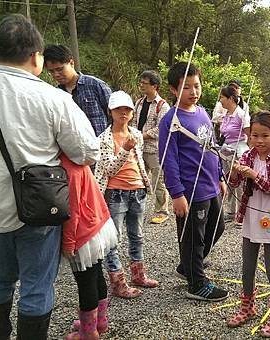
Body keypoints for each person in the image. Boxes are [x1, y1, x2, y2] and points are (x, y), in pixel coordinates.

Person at [0, 14, 98, 340]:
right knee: (36, 284)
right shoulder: (53, 97)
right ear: (36, 57)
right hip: (40, 210)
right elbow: (87, 152)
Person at [158, 62, 228, 302]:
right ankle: (196, 283)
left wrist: (220, 176)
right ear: (174, 90)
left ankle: (188, 265)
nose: (193, 92)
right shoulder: (170, 120)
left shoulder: (202, 112)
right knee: (193, 238)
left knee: (217, 227)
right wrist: (176, 194)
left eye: (196, 86)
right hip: (191, 189)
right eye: (186, 87)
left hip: (210, 185)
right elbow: (168, 159)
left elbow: (212, 146)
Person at [226, 111, 270, 337]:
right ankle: (247, 307)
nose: (260, 140)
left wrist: (253, 174)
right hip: (251, 218)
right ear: (249, 136)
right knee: (247, 267)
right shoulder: (246, 156)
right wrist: (235, 173)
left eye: (265, 135)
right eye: (255, 135)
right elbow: (234, 184)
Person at [95, 90, 160, 299]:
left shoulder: (137, 135)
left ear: (132, 112)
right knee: (114, 239)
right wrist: (124, 149)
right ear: (110, 111)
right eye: (118, 109)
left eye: (127, 109)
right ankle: (117, 282)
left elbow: (139, 162)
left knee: (137, 235)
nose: (123, 113)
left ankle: (138, 275)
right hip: (115, 193)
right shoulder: (104, 139)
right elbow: (109, 169)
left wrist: (144, 185)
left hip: (137, 191)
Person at [60, 154, 118, 339]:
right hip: (98, 226)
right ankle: (99, 321)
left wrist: (68, 242)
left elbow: (73, 209)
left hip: (83, 234)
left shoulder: (67, 166)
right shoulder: (80, 158)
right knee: (96, 274)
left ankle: (89, 332)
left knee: (85, 282)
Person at [43, 44, 112, 137]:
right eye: (51, 71)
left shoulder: (95, 85)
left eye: (60, 69)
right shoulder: (55, 95)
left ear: (71, 63)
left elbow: (115, 116)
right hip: (72, 148)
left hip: (102, 146)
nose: (56, 74)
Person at [132, 70, 171, 225]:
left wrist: (140, 135)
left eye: (145, 83)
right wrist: (134, 134)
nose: (141, 85)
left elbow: (160, 129)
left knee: (159, 180)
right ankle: (137, 208)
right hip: (139, 147)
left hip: (155, 149)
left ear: (155, 86)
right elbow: (133, 121)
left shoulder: (162, 106)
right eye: (141, 82)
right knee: (138, 179)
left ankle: (162, 211)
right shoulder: (139, 103)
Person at [218, 84, 251, 226]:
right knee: (229, 181)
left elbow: (249, 135)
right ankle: (231, 212)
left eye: (222, 97)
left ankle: (242, 213)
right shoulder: (226, 115)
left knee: (239, 183)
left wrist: (248, 154)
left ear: (231, 98)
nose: (220, 101)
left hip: (238, 152)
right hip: (226, 150)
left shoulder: (241, 115)